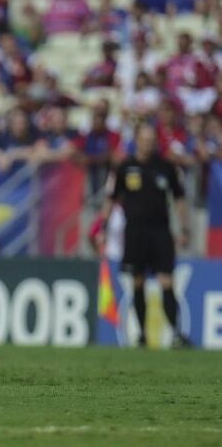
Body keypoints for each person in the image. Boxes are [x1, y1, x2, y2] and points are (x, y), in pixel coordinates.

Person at [101, 124, 192, 348]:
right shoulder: (125, 167)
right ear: (137, 140)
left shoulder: (166, 167)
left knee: (166, 281)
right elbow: (111, 198)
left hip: (160, 231)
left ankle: (176, 334)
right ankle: (141, 335)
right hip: (134, 233)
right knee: (137, 282)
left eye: (152, 139)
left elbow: (179, 198)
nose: (148, 143)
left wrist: (184, 227)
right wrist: (102, 227)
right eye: (144, 138)